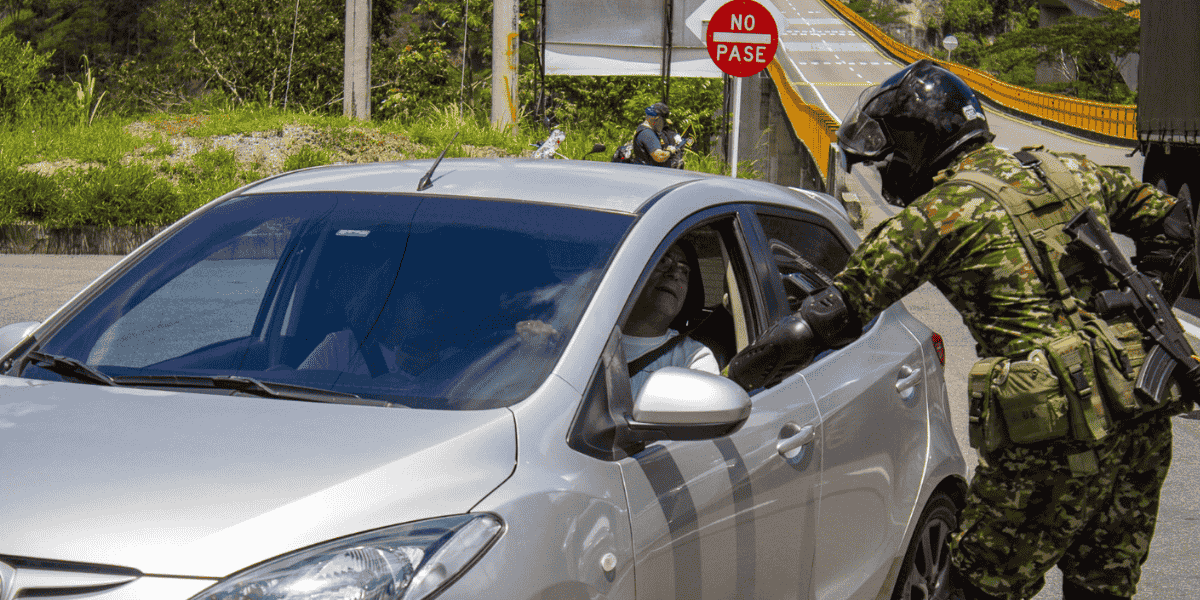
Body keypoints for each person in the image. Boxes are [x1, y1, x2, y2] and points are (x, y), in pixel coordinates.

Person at [730, 59, 1195, 600]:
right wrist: (1144, 302)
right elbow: (1176, 222)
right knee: (1102, 585)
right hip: (1139, 411)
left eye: (887, 159)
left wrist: (733, 384)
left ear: (916, 144)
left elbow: (819, 323)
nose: (887, 173)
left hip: (1051, 435)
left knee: (977, 587)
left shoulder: (938, 215)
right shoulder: (1068, 171)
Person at [624, 239, 719, 397]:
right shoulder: (584, 338)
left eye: (684, 271)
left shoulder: (693, 359)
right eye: (662, 261)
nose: (675, 274)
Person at [629, 102, 683, 167]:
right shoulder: (648, 134)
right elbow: (659, 157)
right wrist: (670, 151)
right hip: (649, 174)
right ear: (657, 118)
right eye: (664, 122)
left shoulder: (641, 128)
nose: (664, 125)